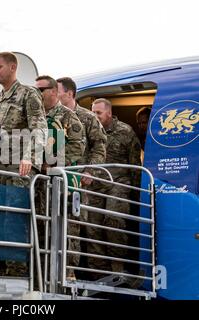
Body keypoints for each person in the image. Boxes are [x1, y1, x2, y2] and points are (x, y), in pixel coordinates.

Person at [0, 52, 47, 276]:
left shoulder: (28, 94)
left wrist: (30, 157)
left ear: (13, 67)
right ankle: (3, 271)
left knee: (14, 221)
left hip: (19, 168)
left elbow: (39, 128)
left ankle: (19, 274)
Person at [35, 75, 85, 281]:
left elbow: (77, 146)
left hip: (62, 183)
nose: (36, 94)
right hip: (40, 183)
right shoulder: (36, 116)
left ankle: (68, 274)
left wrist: (55, 164)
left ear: (54, 92)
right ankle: (42, 275)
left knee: (65, 228)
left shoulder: (67, 116)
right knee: (42, 228)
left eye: (41, 90)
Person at [56, 77, 107, 279]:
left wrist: (90, 171)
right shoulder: (52, 116)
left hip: (77, 181)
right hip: (54, 179)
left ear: (69, 93)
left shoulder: (87, 118)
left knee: (73, 226)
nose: (53, 93)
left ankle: (70, 271)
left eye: (57, 90)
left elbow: (100, 145)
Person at [90, 98, 141, 275]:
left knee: (113, 221)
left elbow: (135, 165)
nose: (95, 116)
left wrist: (137, 196)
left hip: (119, 184)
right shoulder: (90, 131)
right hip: (95, 185)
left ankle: (118, 268)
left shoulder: (125, 131)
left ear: (109, 113)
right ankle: (99, 274)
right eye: (93, 112)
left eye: (99, 113)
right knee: (91, 227)